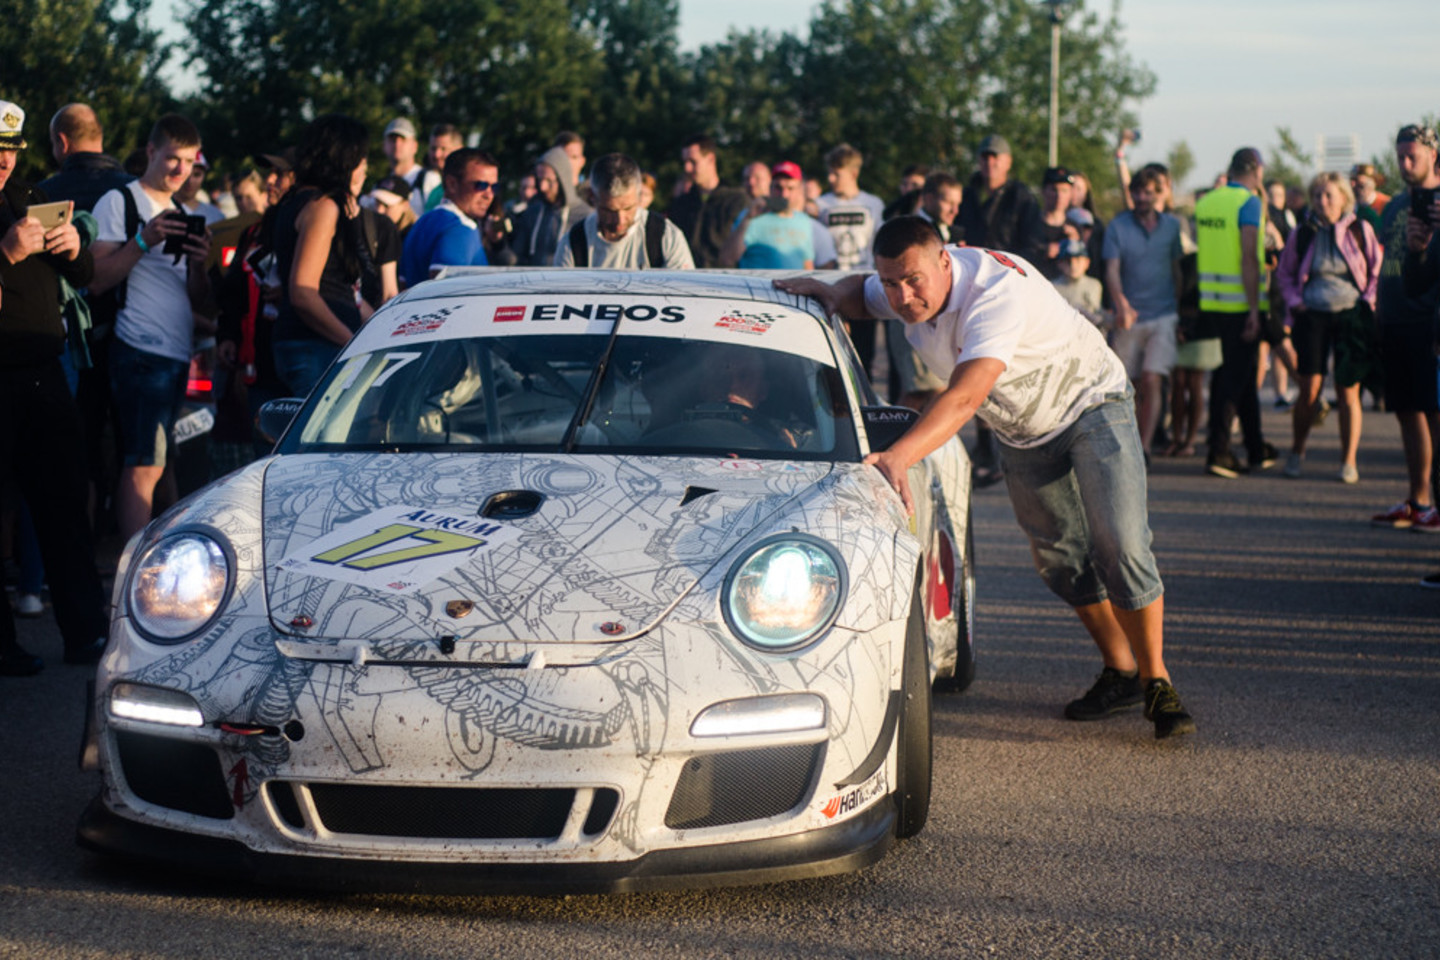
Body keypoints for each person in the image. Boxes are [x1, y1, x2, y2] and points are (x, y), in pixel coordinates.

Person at [774, 217, 1194, 740]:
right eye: (891, 282)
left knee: (1119, 543)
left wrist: (898, 456)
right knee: (1061, 560)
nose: (903, 297)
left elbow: (965, 396)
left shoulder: (994, 294)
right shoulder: (904, 284)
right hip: (1023, 431)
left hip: (1092, 404)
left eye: (913, 281)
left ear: (945, 260)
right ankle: (1121, 671)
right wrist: (832, 292)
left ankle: (1157, 680)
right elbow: (862, 293)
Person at [0, 99, 109, 673]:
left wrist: (73, 250)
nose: (4, 160)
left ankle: (85, 634)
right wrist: (6, 253)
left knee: (65, 506)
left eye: (11, 150)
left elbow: (85, 276)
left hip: (45, 371)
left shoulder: (32, 199)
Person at [89, 114, 213, 541]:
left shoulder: (183, 211)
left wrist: (199, 263)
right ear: (151, 151)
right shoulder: (120, 201)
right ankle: (132, 564)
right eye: (173, 158)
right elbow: (97, 278)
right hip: (139, 349)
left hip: (176, 352)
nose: (181, 170)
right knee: (144, 464)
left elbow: (196, 297)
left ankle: (155, 555)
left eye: (189, 162)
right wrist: (144, 240)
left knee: (161, 465)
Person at [1277, 172, 1382, 483]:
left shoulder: (1360, 229)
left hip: (1350, 314)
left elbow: (1376, 271)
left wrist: (1367, 301)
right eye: (1317, 195)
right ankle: (1297, 451)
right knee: (1309, 388)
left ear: (1343, 198)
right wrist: (1296, 301)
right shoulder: (1303, 232)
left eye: (1328, 195)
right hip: (1312, 314)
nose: (1322, 202)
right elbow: (1285, 273)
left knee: (1348, 389)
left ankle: (1348, 460)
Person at [955, 134, 1044, 486]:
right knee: (974, 365)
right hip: (969, 288)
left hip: (1006, 289)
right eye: (985, 156)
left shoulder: (1022, 197)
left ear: (1008, 162)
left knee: (1004, 372)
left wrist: (1012, 275)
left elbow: (1032, 245)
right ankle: (986, 446)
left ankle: (1010, 447)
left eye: (996, 157)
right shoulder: (967, 194)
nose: (989, 162)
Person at [270, 113, 370, 398]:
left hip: (309, 346)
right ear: (344, 158)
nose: (365, 168)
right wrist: (353, 345)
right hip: (317, 349)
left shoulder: (296, 202)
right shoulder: (321, 207)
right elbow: (303, 292)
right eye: (361, 158)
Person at [1195, 147, 1278, 479]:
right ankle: (1219, 451)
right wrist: (1255, 309)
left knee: (1240, 376)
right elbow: (1248, 257)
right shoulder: (1249, 203)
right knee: (1232, 380)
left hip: (1211, 301)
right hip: (1240, 304)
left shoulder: (1207, 202)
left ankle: (1256, 447)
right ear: (1257, 170)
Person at [1104, 165, 1183, 458]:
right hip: (1130, 317)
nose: (1142, 198)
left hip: (1164, 314)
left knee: (1153, 379)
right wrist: (1121, 304)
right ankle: (1130, 440)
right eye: (1137, 192)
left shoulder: (1172, 226)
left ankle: (1144, 447)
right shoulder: (1118, 227)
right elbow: (1111, 269)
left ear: (1158, 194)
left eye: (1148, 193)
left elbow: (1177, 269)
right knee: (1130, 385)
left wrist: (1181, 311)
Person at [554, 153, 693, 269]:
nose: (620, 219)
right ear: (592, 197)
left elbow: (684, 289)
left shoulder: (666, 237)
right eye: (609, 210)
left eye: (628, 208)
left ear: (639, 196)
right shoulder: (573, 243)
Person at [400, 147, 500, 285]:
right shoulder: (460, 228)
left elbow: (402, 284)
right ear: (452, 184)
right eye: (481, 185)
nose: (489, 195)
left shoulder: (422, 222)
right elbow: (444, 290)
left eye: (494, 187)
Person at [668, 134, 747, 268]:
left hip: (726, 277)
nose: (687, 168)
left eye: (693, 161)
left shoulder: (736, 201)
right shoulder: (681, 203)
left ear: (710, 159)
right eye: (685, 162)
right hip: (686, 277)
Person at [722, 161, 814, 270]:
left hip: (794, 281)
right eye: (778, 188)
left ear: (799, 190)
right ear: (770, 187)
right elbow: (727, 259)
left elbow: (807, 263)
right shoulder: (751, 216)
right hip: (759, 281)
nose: (784, 194)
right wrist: (747, 219)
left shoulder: (803, 221)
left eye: (790, 188)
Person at [512, 144, 585, 267]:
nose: (542, 187)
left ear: (563, 179)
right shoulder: (532, 213)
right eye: (539, 179)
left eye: (549, 181)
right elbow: (516, 257)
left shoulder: (584, 216)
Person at [1053, 238, 1106, 328]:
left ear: (1087, 263)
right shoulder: (1053, 287)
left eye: (1078, 260)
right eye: (1068, 261)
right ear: (1060, 263)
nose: (1073, 265)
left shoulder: (1094, 285)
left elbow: (1098, 313)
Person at [1037, 166, 1075, 279]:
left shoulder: (1075, 228)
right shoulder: (1028, 223)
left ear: (1071, 194)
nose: (1059, 196)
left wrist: (1075, 246)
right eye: (1054, 190)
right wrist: (1042, 251)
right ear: (1043, 191)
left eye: (1064, 191)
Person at [418, 123, 464, 211]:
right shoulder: (435, 192)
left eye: (443, 149)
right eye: (433, 148)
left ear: (459, 150)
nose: (437, 155)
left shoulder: (467, 189)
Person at [917, 172, 962, 243]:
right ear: (929, 199)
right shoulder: (911, 231)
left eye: (958, 204)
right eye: (949, 203)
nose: (955, 211)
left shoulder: (956, 234)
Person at [1350, 163, 1390, 230]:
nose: (1353, 185)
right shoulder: (1350, 207)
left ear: (1372, 181)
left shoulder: (1386, 204)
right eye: (1351, 179)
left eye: (1356, 180)